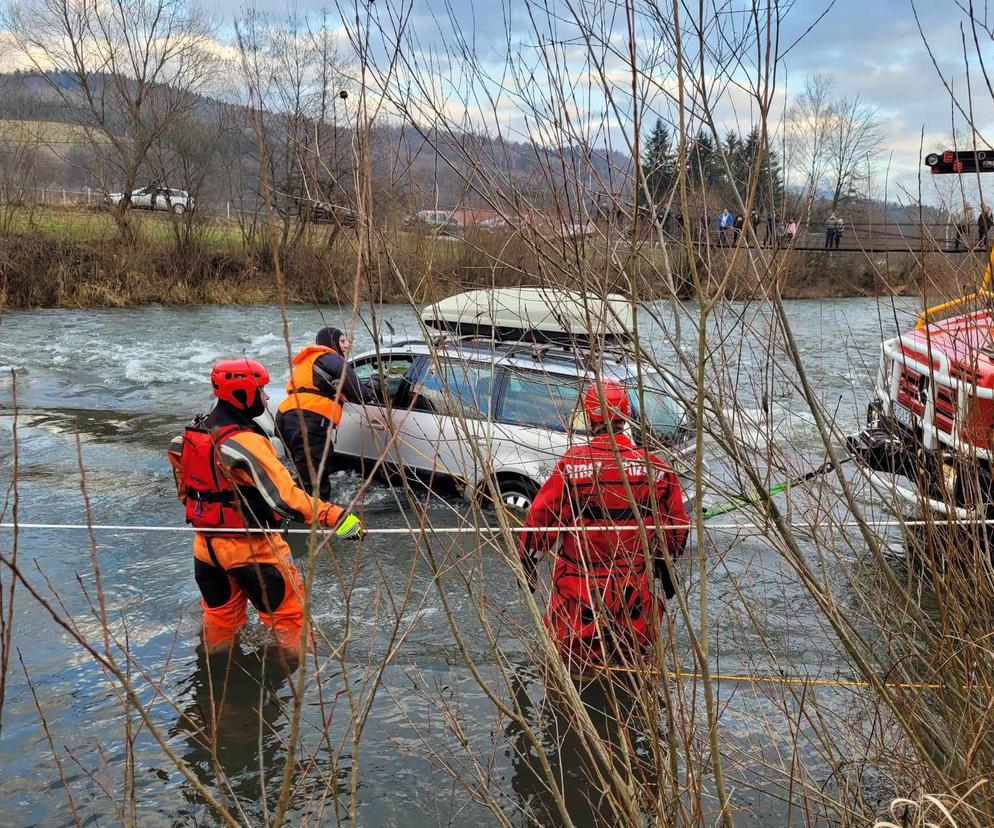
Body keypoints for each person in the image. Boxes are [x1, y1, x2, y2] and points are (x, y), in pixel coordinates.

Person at [168, 358, 364, 657]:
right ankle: (290, 692)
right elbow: (286, 499)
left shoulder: (185, 440)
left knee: (220, 625)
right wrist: (336, 516)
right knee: (292, 625)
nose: (267, 397)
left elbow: (187, 493)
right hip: (253, 551)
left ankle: (218, 688)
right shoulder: (244, 444)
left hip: (205, 551)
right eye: (261, 390)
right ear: (242, 393)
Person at [518, 380, 689, 673]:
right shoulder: (656, 468)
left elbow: (540, 520)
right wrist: (663, 564)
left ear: (588, 415)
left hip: (579, 594)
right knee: (634, 670)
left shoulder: (573, 465)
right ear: (626, 415)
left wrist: (528, 566)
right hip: (635, 594)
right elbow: (676, 534)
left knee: (570, 669)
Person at [275, 326, 377, 501]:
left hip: (287, 418)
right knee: (316, 486)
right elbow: (360, 394)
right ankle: (316, 523)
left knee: (306, 477)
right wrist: (374, 384)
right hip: (306, 422)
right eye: (342, 341)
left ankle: (299, 509)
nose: (346, 346)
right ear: (332, 342)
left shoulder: (311, 360)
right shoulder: (332, 359)